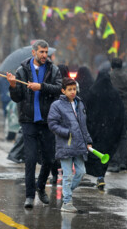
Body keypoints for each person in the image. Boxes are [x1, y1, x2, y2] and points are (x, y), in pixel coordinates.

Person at [6, 39, 61, 209]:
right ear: (34, 52)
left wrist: (41, 87)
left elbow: (59, 89)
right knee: (29, 159)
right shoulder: (22, 71)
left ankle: (40, 187)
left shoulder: (53, 69)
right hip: (28, 121)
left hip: (47, 121)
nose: (45, 55)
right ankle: (29, 196)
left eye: (46, 52)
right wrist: (13, 85)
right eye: (41, 52)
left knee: (49, 159)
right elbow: (17, 98)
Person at [47, 77, 93, 213]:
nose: (73, 92)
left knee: (81, 172)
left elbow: (83, 125)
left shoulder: (80, 103)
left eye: (74, 89)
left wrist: (88, 140)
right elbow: (52, 124)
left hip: (79, 145)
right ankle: (67, 202)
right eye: (69, 89)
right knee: (67, 175)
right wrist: (67, 133)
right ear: (63, 91)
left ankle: (67, 192)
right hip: (65, 145)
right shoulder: (57, 105)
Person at [85, 69, 124, 189]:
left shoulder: (92, 91)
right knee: (105, 153)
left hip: (94, 129)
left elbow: (87, 110)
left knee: (95, 151)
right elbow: (120, 112)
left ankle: (97, 174)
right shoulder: (114, 93)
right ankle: (101, 175)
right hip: (109, 130)